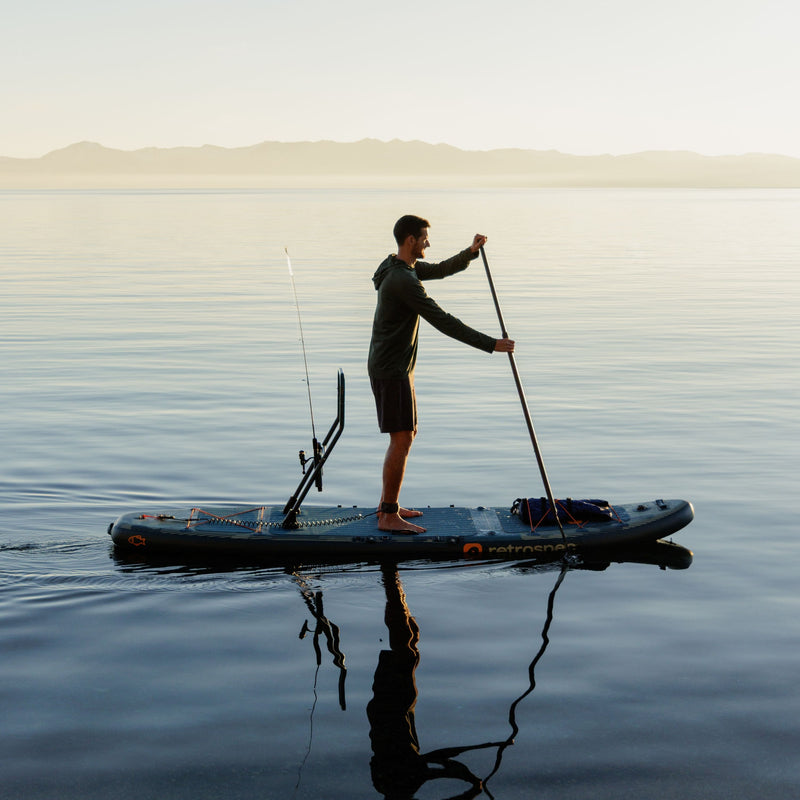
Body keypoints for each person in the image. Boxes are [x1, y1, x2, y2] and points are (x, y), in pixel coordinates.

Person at [368, 215, 515, 534]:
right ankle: (388, 515)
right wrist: (491, 344)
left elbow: (438, 269)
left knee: (406, 436)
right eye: (423, 239)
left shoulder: (398, 267)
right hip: (391, 370)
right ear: (410, 240)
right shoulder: (403, 281)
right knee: (402, 437)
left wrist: (470, 252)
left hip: (395, 367)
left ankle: (387, 505)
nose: (427, 243)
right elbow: (444, 321)